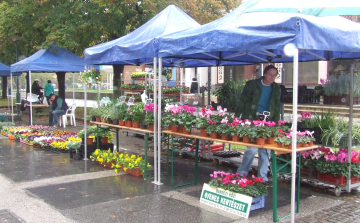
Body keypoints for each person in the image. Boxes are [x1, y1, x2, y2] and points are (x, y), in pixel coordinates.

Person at [235, 65, 281, 185]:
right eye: (270, 74)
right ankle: (242, 172)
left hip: (268, 120)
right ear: (264, 74)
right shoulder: (252, 84)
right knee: (252, 147)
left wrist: (275, 123)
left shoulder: (276, 88)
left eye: (275, 75)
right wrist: (237, 116)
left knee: (266, 150)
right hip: (252, 118)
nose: (272, 77)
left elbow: (277, 106)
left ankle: (262, 177)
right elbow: (243, 100)